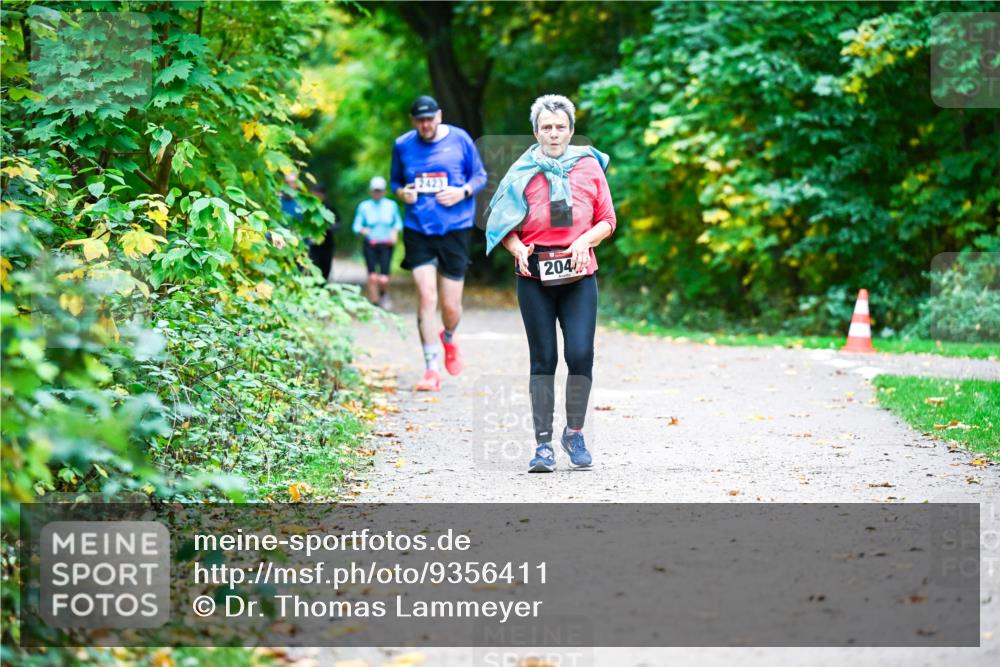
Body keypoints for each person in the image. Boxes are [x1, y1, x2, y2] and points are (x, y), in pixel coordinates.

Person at [485, 94, 616, 473]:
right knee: (543, 359)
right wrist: (516, 247)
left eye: (560, 127)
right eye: (547, 127)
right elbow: (500, 223)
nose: (554, 133)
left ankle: (574, 433)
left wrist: (584, 241)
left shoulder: (589, 167)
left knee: (580, 354)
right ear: (536, 132)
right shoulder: (521, 170)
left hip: (579, 273)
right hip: (534, 275)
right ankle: (542, 446)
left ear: (571, 131)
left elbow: (607, 220)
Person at [390, 95, 487, 391]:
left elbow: (480, 176)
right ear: (413, 121)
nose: (425, 125)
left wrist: (463, 192)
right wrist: (402, 194)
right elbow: (395, 183)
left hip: (456, 229)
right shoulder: (402, 145)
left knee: (450, 307)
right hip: (418, 229)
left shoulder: (460, 139)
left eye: (430, 119)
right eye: (420, 120)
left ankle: (448, 337)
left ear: (439, 116)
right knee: (426, 295)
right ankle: (431, 369)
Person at [353, 176, 402, 307]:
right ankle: (374, 303)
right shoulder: (364, 206)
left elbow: (397, 223)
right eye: (375, 190)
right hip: (370, 244)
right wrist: (363, 230)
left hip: (386, 244)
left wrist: (394, 234)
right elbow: (356, 226)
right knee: (373, 277)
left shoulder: (391, 206)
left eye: (379, 190)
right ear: (371, 191)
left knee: (384, 278)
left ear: (384, 191)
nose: (377, 193)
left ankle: (384, 293)